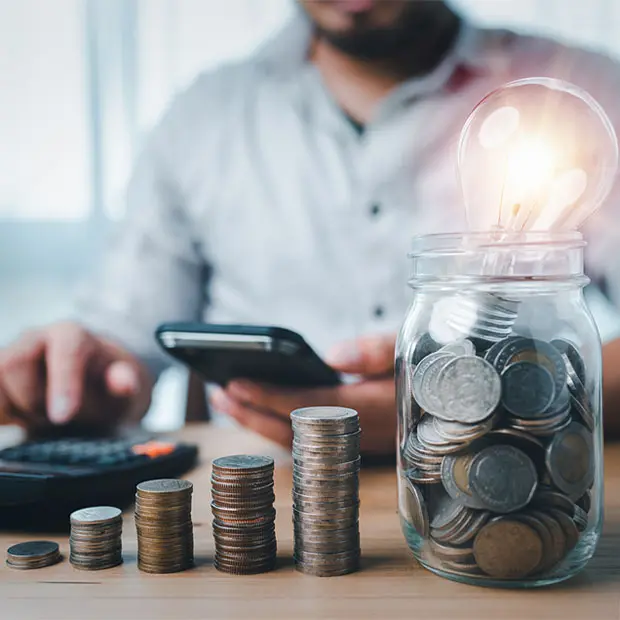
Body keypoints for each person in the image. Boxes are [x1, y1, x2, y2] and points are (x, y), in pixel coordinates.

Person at [1, 0, 620, 453]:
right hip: (260, 496)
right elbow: (124, 336)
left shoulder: (583, 98)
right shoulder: (203, 118)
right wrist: (86, 379)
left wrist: (475, 402)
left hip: (524, 481)